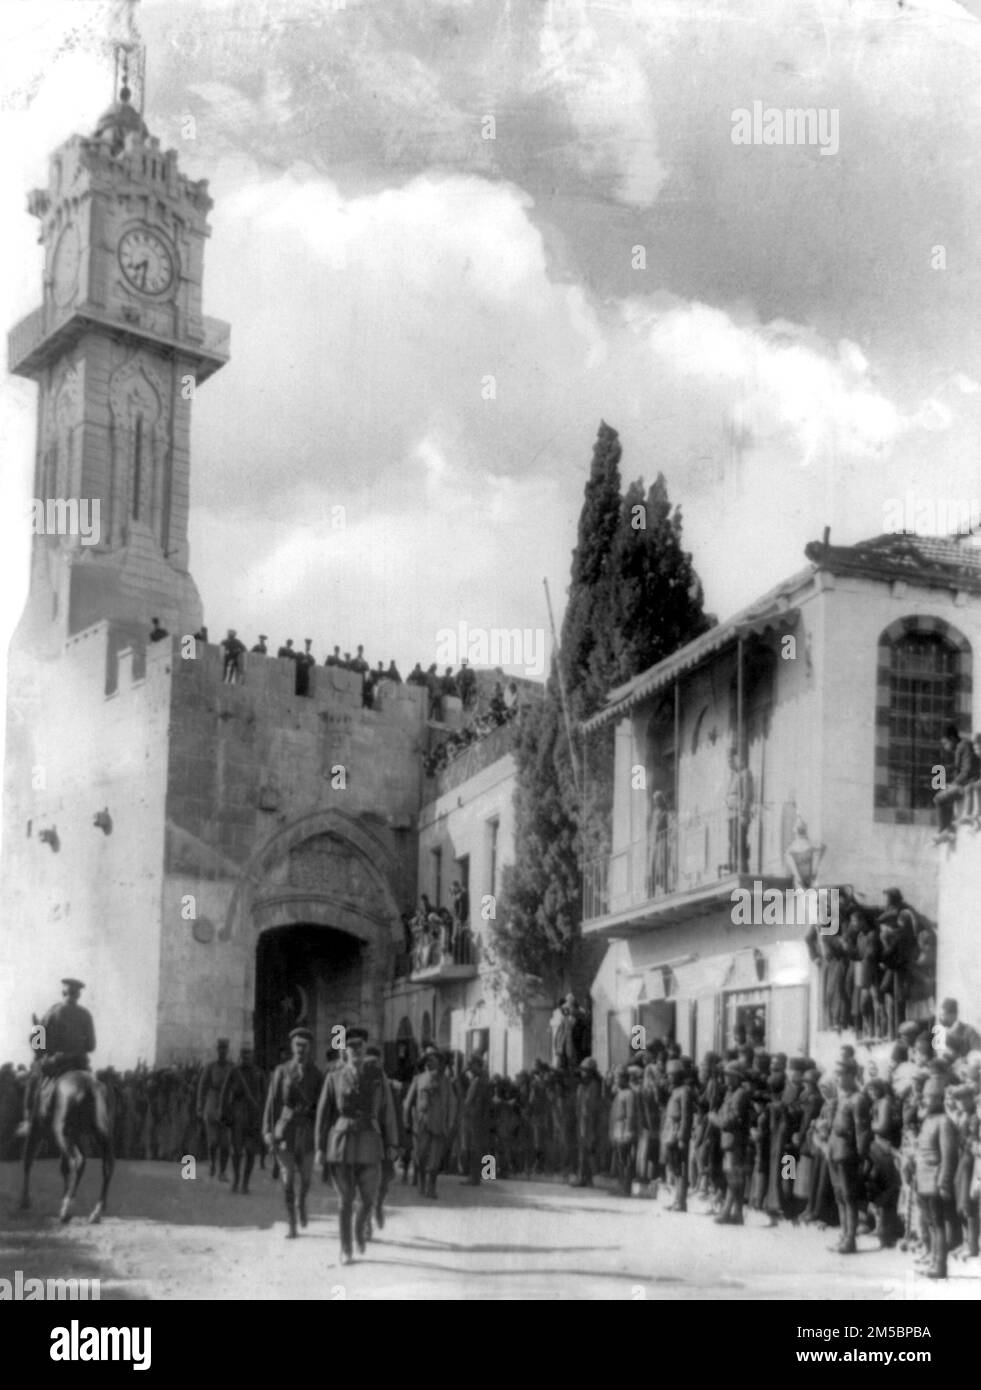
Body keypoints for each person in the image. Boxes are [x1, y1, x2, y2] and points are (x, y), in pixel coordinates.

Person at [314, 1027, 398, 1265]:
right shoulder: (334, 1076)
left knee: (368, 1199)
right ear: (345, 1050)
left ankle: (360, 1228)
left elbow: (387, 1110)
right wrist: (320, 1147)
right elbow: (324, 1113)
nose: (356, 1050)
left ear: (365, 1048)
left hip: (370, 1141)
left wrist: (392, 1142)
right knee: (345, 1200)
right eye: (351, 1046)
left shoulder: (377, 1076)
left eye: (360, 1045)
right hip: (342, 1142)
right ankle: (346, 1247)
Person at [16, 977, 96, 1137]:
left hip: (57, 1064)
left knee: (33, 1081)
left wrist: (40, 1049)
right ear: (78, 995)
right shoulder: (86, 1014)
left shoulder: (52, 1012)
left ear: (63, 992)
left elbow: (38, 1042)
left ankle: (28, 1122)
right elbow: (91, 1046)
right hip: (80, 1065)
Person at [263, 1027, 323, 1238]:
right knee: (288, 1180)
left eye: (304, 1046)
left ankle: (301, 1203)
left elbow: (322, 1108)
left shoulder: (317, 1074)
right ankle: (292, 1223)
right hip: (285, 1130)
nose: (300, 1049)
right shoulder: (281, 1071)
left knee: (306, 1179)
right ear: (292, 1046)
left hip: (306, 1132)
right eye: (297, 1045)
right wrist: (267, 1131)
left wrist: (321, 1137)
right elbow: (272, 1103)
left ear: (310, 1048)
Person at [826, 1055, 870, 1254]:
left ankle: (850, 1239)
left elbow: (861, 1131)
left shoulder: (858, 1099)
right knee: (840, 1197)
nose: (838, 1078)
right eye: (837, 1074)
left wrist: (861, 1157)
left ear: (852, 1075)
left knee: (849, 1197)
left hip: (847, 1154)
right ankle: (843, 1235)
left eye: (841, 1074)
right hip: (835, 1151)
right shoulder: (843, 1098)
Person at [916, 1076, 958, 1278]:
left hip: (934, 1180)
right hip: (922, 1180)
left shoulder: (945, 1122)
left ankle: (940, 1264)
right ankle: (933, 1260)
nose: (925, 1101)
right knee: (930, 1223)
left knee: (938, 1223)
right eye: (925, 1097)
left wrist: (944, 1183)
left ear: (939, 1099)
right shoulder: (927, 1120)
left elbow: (949, 1156)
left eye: (930, 1098)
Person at [403, 1044, 457, 1198]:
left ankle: (431, 1187)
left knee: (435, 1158)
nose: (429, 1063)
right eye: (427, 1061)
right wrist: (406, 1120)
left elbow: (452, 1104)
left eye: (433, 1060)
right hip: (421, 1123)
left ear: (439, 1063)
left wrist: (450, 1123)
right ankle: (420, 1183)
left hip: (439, 1124)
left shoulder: (446, 1082)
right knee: (420, 1156)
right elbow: (408, 1102)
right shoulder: (418, 1079)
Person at [219, 1045, 265, 1195]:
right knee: (237, 1151)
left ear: (252, 1056)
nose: (246, 1058)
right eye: (244, 1055)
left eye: (249, 1055)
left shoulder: (258, 1073)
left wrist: (264, 1115)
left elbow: (265, 1095)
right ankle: (237, 1180)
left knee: (251, 1151)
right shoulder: (234, 1072)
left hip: (254, 1115)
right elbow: (225, 1093)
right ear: (240, 1056)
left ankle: (245, 1182)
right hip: (238, 1114)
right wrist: (224, 1113)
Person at [933, 722, 977, 841]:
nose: (945, 746)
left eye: (945, 743)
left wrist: (954, 784)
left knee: (938, 799)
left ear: (952, 738)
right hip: (964, 784)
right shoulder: (960, 747)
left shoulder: (965, 746)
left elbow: (967, 770)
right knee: (944, 793)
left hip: (967, 784)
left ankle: (943, 832)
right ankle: (949, 830)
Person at [196, 1039, 233, 1181]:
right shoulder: (210, 1067)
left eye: (224, 1049)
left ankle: (222, 1171)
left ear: (227, 1050)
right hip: (211, 1105)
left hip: (226, 1107)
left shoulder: (232, 1067)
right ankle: (212, 1163)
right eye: (220, 1049)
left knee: (225, 1143)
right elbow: (202, 1088)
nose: (222, 1051)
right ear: (217, 1050)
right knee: (212, 1141)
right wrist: (199, 1107)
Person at [460, 1055, 492, 1185]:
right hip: (481, 1116)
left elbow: (468, 1100)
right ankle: (483, 1175)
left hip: (475, 1117)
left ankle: (474, 1177)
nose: (470, 1068)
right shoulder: (484, 1079)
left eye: (472, 1065)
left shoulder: (478, 1080)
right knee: (480, 1147)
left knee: (474, 1147)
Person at [570, 1057, 602, 1187]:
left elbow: (594, 1108)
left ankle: (586, 1177)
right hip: (582, 1122)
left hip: (592, 1123)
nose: (583, 1073)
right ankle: (583, 1177)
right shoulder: (581, 1087)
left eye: (585, 1071)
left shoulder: (595, 1087)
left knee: (588, 1150)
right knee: (582, 1150)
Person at [725, 746, 754, 873]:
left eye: (731, 760)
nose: (729, 763)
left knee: (740, 843)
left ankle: (742, 868)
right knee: (732, 843)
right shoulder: (733, 776)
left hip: (739, 814)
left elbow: (747, 795)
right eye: (728, 761)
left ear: (737, 758)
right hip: (731, 815)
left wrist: (744, 813)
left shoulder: (745, 773)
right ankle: (734, 867)